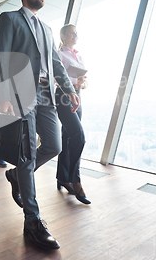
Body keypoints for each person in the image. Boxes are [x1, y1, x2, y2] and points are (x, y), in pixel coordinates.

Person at [0, 0, 80, 250]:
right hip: (21, 93)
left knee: (54, 145)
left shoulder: (46, 28)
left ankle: (16, 175)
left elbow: (55, 63)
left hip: (47, 95)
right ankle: (33, 219)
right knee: (28, 154)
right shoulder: (9, 18)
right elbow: (1, 56)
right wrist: (3, 95)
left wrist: (69, 90)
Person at [55, 24, 90, 204]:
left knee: (68, 138)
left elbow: (83, 82)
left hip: (78, 96)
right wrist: (73, 84)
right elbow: (57, 78)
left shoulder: (79, 56)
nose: (75, 36)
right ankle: (75, 179)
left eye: (77, 33)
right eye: (71, 33)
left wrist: (81, 83)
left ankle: (62, 177)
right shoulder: (60, 55)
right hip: (63, 97)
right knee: (79, 136)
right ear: (63, 36)